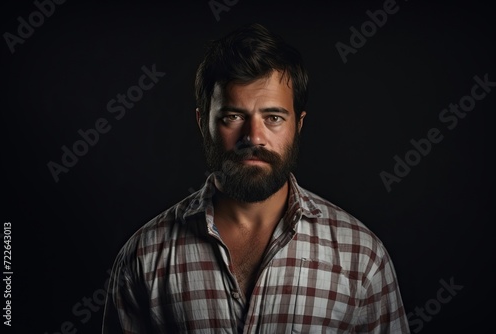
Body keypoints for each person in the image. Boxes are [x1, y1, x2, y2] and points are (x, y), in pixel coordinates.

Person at [102, 23, 410, 333]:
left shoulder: (361, 257)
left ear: (298, 125)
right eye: (233, 116)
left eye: (273, 118)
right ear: (202, 122)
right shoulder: (143, 258)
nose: (253, 137)